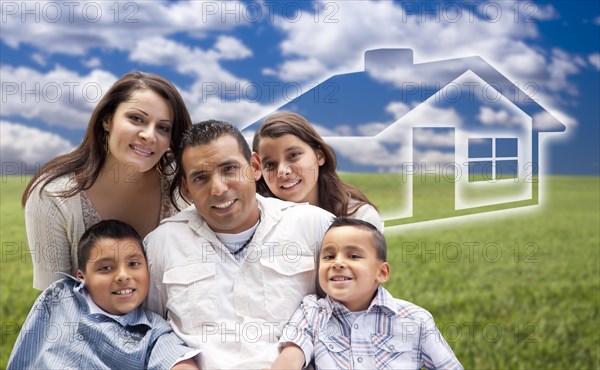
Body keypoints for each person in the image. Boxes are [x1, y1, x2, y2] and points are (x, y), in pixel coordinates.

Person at [144, 119, 334, 369]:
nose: (218, 188)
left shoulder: (314, 226)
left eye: (230, 169)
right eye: (201, 177)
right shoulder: (161, 244)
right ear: (187, 189)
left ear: (255, 167)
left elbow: (349, 313)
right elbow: (149, 329)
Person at [22, 71, 192, 291]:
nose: (149, 135)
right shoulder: (53, 197)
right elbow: (55, 305)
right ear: (107, 120)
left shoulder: (182, 181)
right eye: (136, 118)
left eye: (163, 128)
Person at [271, 217, 463, 370]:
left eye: (353, 256)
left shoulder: (415, 320)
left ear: (381, 272)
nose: (337, 263)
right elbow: (290, 358)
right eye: (329, 256)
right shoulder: (311, 312)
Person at [8, 219, 200, 370]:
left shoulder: (152, 332)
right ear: (83, 277)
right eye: (106, 268)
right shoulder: (59, 296)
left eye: (133, 264)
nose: (123, 276)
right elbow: (26, 349)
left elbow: (175, 359)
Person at [251, 111, 383, 231]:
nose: (283, 171)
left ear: (319, 155)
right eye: (270, 165)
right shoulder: (257, 222)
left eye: (293, 155)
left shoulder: (360, 217)